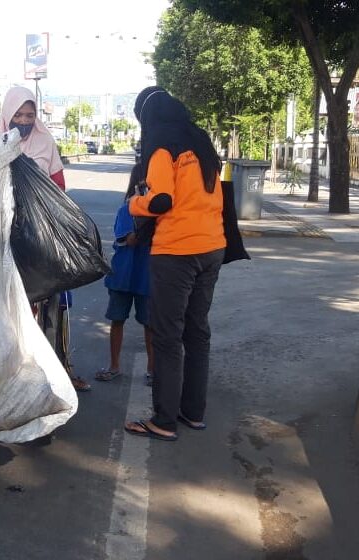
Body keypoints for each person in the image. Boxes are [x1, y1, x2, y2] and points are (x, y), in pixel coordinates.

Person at [124, 86, 226, 441]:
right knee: (197, 332)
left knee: (167, 336)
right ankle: (192, 412)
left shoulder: (161, 147)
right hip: (212, 247)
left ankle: (164, 421)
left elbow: (160, 200)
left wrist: (135, 202)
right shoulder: (202, 144)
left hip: (176, 253)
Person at [0, 86, 91, 392]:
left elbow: (59, 187)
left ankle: (57, 369)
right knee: (4, 308)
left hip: (38, 238)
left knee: (51, 307)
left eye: (29, 115)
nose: (23, 120)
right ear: (7, 115)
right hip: (1, 237)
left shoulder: (45, 142)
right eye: (18, 115)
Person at [94, 163, 153, 384]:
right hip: (123, 275)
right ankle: (114, 365)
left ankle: (152, 369)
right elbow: (129, 239)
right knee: (117, 320)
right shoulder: (127, 209)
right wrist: (145, 216)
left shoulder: (160, 212)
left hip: (147, 277)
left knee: (150, 324)